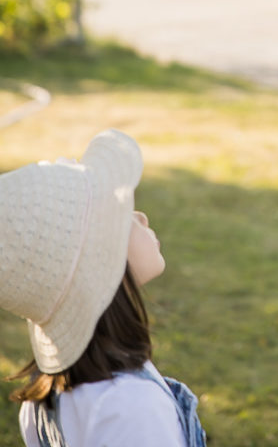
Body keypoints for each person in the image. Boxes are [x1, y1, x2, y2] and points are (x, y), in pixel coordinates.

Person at [0, 128, 206, 447]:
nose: (142, 217)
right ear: (100, 260)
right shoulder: (132, 408)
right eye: (121, 214)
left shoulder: (41, 403)